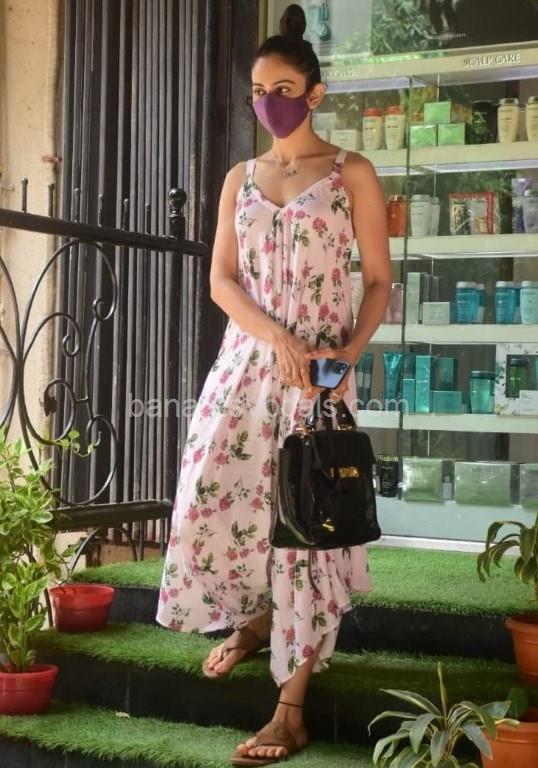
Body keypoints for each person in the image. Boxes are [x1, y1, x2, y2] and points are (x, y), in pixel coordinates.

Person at [155, 4, 391, 765]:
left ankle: (289, 711)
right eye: (258, 91)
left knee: (305, 528)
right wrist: (277, 337)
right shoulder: (240, 179)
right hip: (247, 363)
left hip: (319, 376)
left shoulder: (352, 173)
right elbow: (222, 280)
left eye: (283, 89)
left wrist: (344, 355)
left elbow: (379, 281)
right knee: (217, 495)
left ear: (315, 94)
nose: (268, 103)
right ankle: (256, 620)